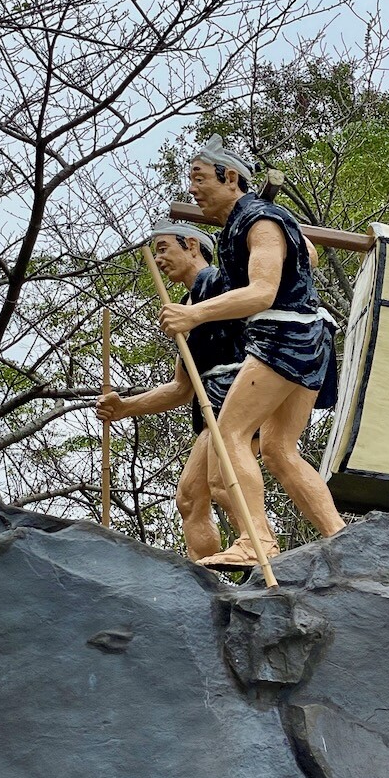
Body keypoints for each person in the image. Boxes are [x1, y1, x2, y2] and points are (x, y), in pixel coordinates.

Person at [160, 135, 344, 567]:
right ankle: (340, 537)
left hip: (286, 335)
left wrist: (194, 314)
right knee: (278, 449)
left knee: (229, 435)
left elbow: (262, 292)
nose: (193, 189)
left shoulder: (260, 219)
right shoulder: (244, 228)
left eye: (200, 178)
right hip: (305, 337)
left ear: (230, 178)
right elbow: (308, 255)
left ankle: (256, 540)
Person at [96, 220, 243, 560]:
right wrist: (124, 407)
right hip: (213, 405)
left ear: (191, 245)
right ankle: (202, 574)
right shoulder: (183, 308)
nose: (159, 259)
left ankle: (261, 548)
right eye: (157, 252)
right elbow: (181, 388)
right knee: (190, 498)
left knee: (224, 483)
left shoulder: (221, 283)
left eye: (164, 249)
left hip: (242, 393)